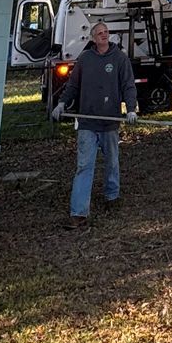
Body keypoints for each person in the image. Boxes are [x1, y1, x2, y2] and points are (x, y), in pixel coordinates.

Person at [52, 21, 138, 228]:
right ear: (92, 38)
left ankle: (112, 196)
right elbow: (73, 85)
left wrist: (131, 109)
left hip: (110, 121)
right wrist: (62, 103)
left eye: (106, 32)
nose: (103, 35)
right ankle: (79, 212)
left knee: (112, 162)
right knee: (84, 166)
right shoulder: (85, 59)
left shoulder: (119, 58)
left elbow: (128, 85)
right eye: (99, 33)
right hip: (87, 122)